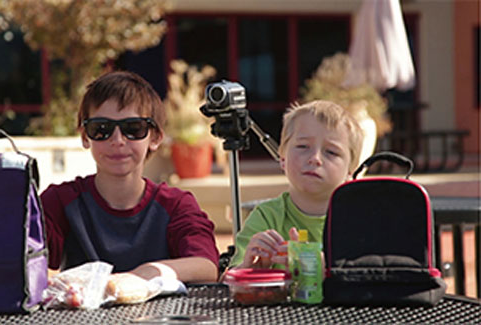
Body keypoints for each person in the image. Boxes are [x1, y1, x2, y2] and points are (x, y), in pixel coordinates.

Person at [41, 71, 219, 283]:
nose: (117, 140)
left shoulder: (176, 205)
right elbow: (23, 256)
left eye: (133, 128)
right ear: (84, 136)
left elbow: (206, 266)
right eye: (101, 129)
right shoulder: (60, 200)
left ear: (155, 137)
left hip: (162, 316)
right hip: (83, 314)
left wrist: (144, 275)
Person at [229, 100, 364, 270]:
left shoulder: (359, 221)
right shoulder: (266, 217)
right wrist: (249, 268)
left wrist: (326, 268)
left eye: (331, 152)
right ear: (282, 159)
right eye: (302, 146)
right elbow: (228, 282)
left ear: (350, 171)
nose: (315, 158)